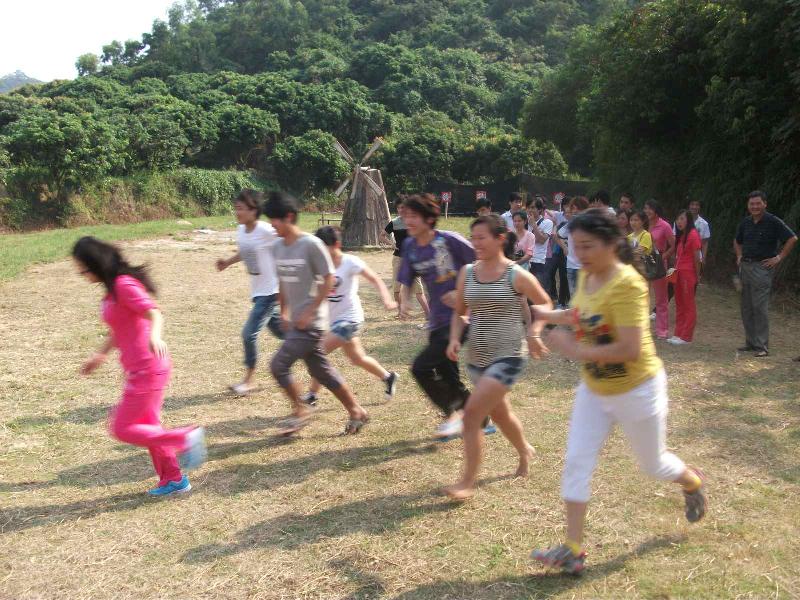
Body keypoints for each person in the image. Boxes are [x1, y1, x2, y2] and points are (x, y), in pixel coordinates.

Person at [529, 209, 707, 575]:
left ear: (612, 244)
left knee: (653, 465)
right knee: (576, 462)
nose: (581, 254)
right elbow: (581, 315)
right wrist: (543, 315)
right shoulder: (587, 278)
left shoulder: (627, 284)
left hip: (637, 391)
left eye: (589, 246)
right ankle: (573, 550)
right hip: (595, 389)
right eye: (577, 247)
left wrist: (575, 350)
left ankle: (691, 481)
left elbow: (630, 348)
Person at [73, 237, 206, 497]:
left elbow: (154, 312)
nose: (81, 274)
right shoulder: (112, 289)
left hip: (148, 368)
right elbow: (119, 328)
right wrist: (100, 355)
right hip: (139, 368)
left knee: (122, 428)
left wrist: (155, 336)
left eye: (83, 269)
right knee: (149, 427)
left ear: (95, 264)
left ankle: (185, 438)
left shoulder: (123, 285)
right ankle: (174, 480)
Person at [442, 215, 551, 500]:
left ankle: (466, 481)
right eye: (473, 237)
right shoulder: (468, 271)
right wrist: (454, 338)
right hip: (477, 355)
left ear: (500, 238)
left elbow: (545, 303)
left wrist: (534, 332)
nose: (475, 243)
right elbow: (460, 311)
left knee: (473, 415)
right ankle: (525, 450)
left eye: (481, 237)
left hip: (508, 355)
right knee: (502, 415)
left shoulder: (517, 274)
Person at [265, 191, 370, 435]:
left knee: (278, 365)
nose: (272, 225)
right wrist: (284, 312)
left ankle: (301, 410)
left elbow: (329, 279)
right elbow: (282, 280)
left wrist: (309, 311)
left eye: (275, 220)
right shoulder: (278, 247)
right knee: (321, 370)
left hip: (311, 323)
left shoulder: (310, 245)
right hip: (295, 322)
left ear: (289, 217)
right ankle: (357, 411)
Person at [397, 193, 476, 438]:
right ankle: (479, 417)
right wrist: (405, 300)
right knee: (448, 375)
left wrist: (463, 292)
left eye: (413, 216)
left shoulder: (449, 241)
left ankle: (454, 415)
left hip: (461, 318)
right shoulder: (410, 246)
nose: (407, 221)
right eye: (405, 216)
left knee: (421, 368)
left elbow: (483, 262)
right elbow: (407, 278)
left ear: (429, 219)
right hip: (437, 320)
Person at [301, 226, 399, 406]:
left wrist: (387, 300)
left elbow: (375, 279)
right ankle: (388, 377)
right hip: (334, 321)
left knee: (318, 353)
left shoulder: (350, 262)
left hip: (350, 319)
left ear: (336, 244)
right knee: (357, 358)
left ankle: (312, 396)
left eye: (323, 248)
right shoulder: (320, 266)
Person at [216, 189, 284, 395]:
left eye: (241, 209)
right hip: (259, 292)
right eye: (235, 208)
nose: (237, 212)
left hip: (271, 292)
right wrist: (227, 262)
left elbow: (288, 236)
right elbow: (245, 251)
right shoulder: (241, 230)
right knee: (283, 332)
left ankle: (248, 380)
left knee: (248, 334)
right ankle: (311, 342)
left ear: (254, 210)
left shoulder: (265, 229)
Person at [734, 191, 797, 357]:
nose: (754, 207)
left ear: (764, 204)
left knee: (759, 307)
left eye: (757, 203)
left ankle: (762, 346)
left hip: (762, 269)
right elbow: (737, 240)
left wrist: (779, 257)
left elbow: (792, 238)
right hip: (745, 267)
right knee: (746, 307)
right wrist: (739, 255)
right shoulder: (746, 222)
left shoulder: (773, 221)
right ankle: (751, 343)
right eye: (751, 204)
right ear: (748, 206)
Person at [384, 198, 430, 322]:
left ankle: (428, 314)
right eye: (399, 208)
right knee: (396, 288)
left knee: (418, 289)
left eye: (403, 208)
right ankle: (400, 313)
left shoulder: (414, 222)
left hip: (413, 259)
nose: (401, 210)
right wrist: (392, 244)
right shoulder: (394, 223)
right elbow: (382, 235)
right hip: (398, 258)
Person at [669, 210, 702, 345]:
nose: (679, 222)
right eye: (677, 219)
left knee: (688, 305)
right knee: (680, 303)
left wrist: (698, 275)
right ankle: (678, 333)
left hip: (688, 274)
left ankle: (686, 336)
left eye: (682, 219)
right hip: (679, 272)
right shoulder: (682, 236)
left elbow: (697, 258)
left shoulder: (693, 235)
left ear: (688, 220)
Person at [644, 199, 675, 339]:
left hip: (658, 262)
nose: (647, 211)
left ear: (656, 210)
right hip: (643, 261)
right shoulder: (643, 224)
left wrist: (664, 257)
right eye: (646, 208)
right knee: (642, 295)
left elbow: (673, 245)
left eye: (650, 208)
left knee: (661, 298)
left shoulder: (665, 226)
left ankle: (662, 331)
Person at [557, 196, 590, 296]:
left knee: (585, 296)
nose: (575, 211)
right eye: (573, 208)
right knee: (574, 297)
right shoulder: (570, 224)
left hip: (585, 266)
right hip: (571, 265)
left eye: (577, 208)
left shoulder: (590, 224)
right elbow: (560, 234)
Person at [527, 198, 555, 295]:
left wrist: (534, 226)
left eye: (533, 207)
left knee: (538, 292)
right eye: (528, 207)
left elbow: (542, 240)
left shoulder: (547, 222)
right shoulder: (524, 222)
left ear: (539, 209)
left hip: (538, 261)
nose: (530, 210)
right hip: (525, 261)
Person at [628, 209, 653, 276]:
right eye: (631, 220)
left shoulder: (646, 235)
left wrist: (626, 253)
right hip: (631, 269)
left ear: (643, 222)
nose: (633, 222)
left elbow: (639, 252)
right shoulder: (629, 237)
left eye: (636, 220)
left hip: (643, 269)